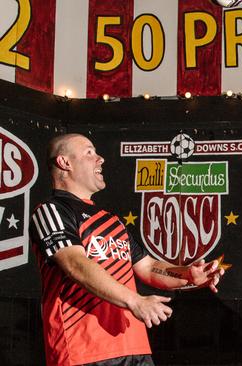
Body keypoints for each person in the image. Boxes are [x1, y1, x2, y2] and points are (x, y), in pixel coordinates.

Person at [29, 133, 225, 366]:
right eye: (89, 152)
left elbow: (149, 267)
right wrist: (135, 301)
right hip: (84, 351)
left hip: (135, 348)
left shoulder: (112, 220)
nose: (100, 159)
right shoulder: (51, 211)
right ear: (64, 163)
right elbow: (75, 263)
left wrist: (186, 275)